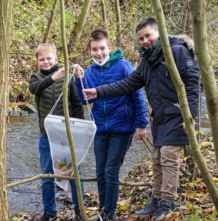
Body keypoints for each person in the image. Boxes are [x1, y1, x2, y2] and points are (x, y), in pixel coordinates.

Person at [82, 18, 199, 220]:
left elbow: (193, 83)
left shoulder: (177, 52)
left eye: (148, 36)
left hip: (179, 115)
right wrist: (98, 92)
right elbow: (128, 85)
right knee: (156, 158)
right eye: (141, 38)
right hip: (160, 117)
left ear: (159, 33)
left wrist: (191, 116)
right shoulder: (147, 59)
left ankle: (167, 203)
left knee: (169, 157)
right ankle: (157, 198)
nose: (145, 40)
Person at [73, 29, 149, 220]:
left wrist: (141, 123)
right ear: (89, 51)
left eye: (102, 48)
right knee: (100, 171)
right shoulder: (89, 71)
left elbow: (137, 95)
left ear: (110, 48)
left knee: (111, 170)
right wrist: (79, 80)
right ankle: (102, 212)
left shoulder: (124, 66)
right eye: (95, 49)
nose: (99, 53)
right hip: (100, 129)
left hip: (123, 128)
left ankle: (109, 215)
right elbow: (85, 101)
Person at [29, 43, 85, 221]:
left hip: (66, 135)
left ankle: (79, 211)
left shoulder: (68, 77)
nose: (46, 62)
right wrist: (52, 78)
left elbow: (76, 104)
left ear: (56, 59)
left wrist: (79, 130)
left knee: (72, 173)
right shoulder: (36, 78)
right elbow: (34, 89)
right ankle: (50, 213)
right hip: (46, 135)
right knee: (48, 175)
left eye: (49, 59)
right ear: (37, 62)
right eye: (42, 59)